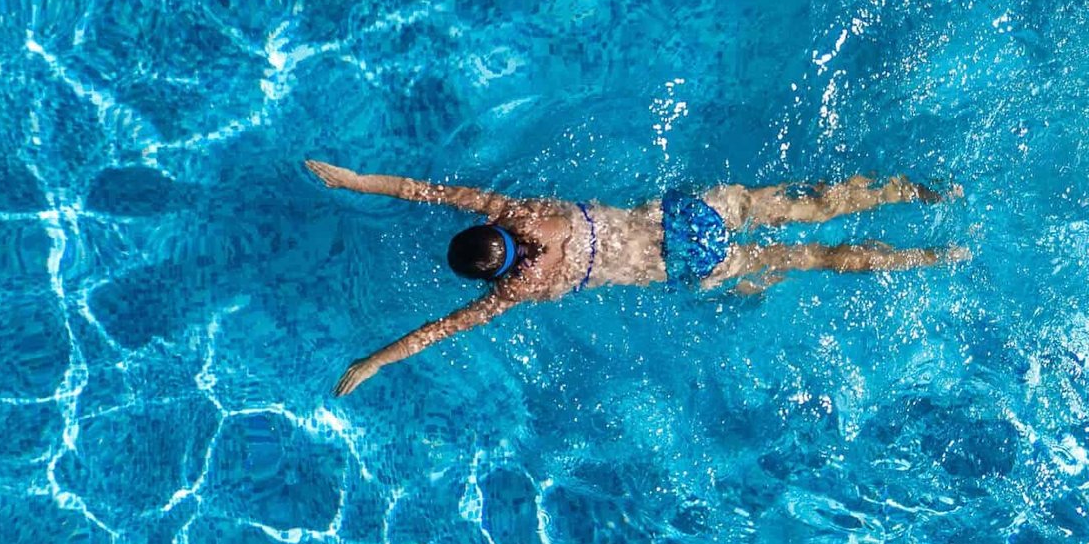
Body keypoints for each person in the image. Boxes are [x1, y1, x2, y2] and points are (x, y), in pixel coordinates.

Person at [305, 160, 969, 395]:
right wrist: (354, 179)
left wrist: (375, 360)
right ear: (491, 231)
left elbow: (439, 330)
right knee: (809, 205)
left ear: (487, 274)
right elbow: (425, 191)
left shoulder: (516, 289)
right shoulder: (517, 212)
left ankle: (931, 258)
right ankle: (922, 192)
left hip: (687, 265)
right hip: (689, 217)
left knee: (811, 260)